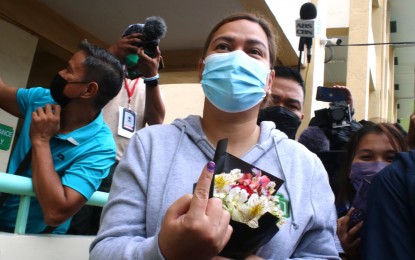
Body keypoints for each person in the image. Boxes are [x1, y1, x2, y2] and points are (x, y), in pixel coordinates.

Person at [90, 12, 339, 259]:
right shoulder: (150, 145)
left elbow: (321, 254)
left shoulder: (305, 166)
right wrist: (164, 251)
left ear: (269, 80)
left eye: (254, 51)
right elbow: (105, 251)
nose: (236, 57)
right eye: (223, 46)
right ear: (202, 68)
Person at [0, 40, 123, 234]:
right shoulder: (42, 99)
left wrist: (41, 141)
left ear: (89, 90)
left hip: (38, 242)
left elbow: (56, 212)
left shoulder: (100, 147)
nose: (61, 74)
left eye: (69, 70)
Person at [67, 24, 165, 235]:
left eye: (144, 46)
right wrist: (112, 53)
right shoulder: (104, 71)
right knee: (76, 223)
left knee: (104, 227)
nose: (138, 51)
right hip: (88, 155)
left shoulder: (147, 84)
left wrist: (152, 77)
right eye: (133, 43)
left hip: (122, 166)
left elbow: (157, 122)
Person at [335, 121, 408, 259]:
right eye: (367, 157)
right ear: (350, 167)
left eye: (390, 158)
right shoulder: (331, 217)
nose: (378, 168)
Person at [361, 149, 415, 259]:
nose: (377, 166)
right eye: (366, 157)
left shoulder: (394, 178)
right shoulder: (395, 178)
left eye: (390, 158)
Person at [257, 66, 304, 139]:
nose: (280, 110)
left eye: (292, 106)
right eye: (271, 100)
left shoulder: (301, 151)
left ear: (301, 117)